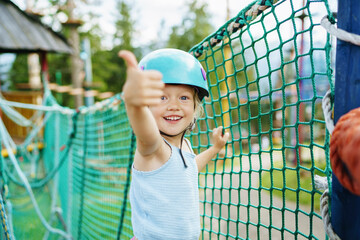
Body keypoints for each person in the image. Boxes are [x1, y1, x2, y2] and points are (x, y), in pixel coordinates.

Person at [119, 48, 230, 240]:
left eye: (184, 98)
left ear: (196, 108)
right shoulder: (154, 148)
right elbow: (144, 131)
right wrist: (133, 103)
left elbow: (190, 168)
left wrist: (215, 148)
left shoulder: (184, 145)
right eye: (162, 97)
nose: (173, 105)